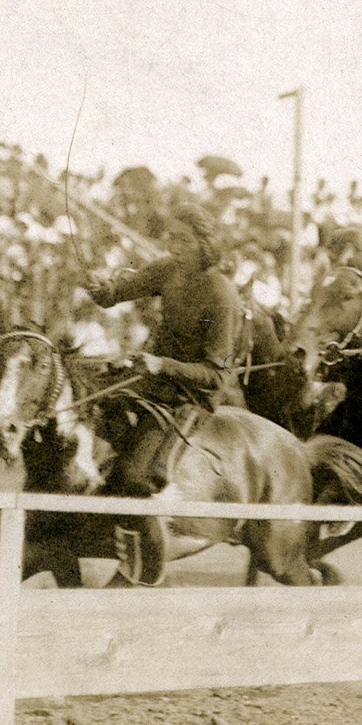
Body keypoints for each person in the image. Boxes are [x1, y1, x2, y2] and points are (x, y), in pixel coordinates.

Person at [83, 200, 244, 534]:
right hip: (149, 379)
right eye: (171, 239)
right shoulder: (167, 270)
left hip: (188, 397)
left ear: (206, 244)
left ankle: (149, 553)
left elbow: (217, 375)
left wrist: (162, 364)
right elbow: (118, 292)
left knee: (133, 476)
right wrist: (102, 288)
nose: (174, 248)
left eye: (183, 241)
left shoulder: (222, 295)